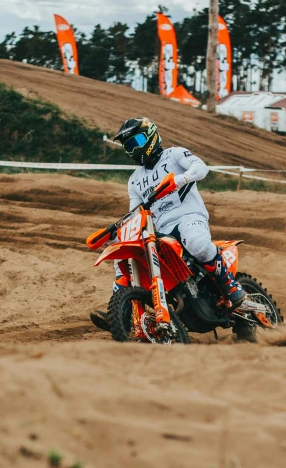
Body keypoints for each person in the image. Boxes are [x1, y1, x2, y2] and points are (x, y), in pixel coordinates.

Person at [90, 117, 245, 331]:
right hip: (161, 231)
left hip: (188, 216)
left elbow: (201, 168)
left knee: (195, 241)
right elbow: (135, 212)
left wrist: (180, 179)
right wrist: (115, 232)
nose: (133, 150)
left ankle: (230, 286)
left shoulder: (174, 155)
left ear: (151, 136)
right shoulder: (135, 179)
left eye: (136, 142)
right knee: (123, 258)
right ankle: (122, 314)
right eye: (128, 147)